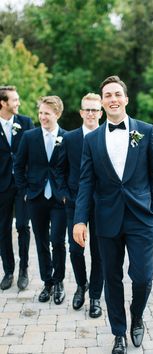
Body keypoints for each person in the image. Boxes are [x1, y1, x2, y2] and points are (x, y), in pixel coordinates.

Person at [73, 76, 153, 354]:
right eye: (107, 95)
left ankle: (137, 315)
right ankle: (119, 333)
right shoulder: (92, 140)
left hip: (141, 217)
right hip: (106, 218)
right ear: (102, 103)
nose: (113, 99)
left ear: (126, 99)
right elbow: (86, 181)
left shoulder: (147, 132)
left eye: (117, 94)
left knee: (143, 275)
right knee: (111, 278)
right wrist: (79, 219)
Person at [14, 96, 67, 305]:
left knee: (57, 241)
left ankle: (60, 281)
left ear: (57, 114)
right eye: (41, 113)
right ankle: (48, 283)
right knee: (42, 242)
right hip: (35, 198)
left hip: (58, 199)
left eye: (47, 113)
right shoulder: (29, 137)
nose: (42, 117)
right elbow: (19, 166)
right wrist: (25, 190)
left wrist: (66, 193)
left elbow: (71, 168)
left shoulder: (66, 137)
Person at [56, 93, 104, 316]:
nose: (91, 113)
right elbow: (59, 170)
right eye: (88, 109)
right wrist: (65, 195)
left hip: (103, 205)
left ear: (101, 112)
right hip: (75, 203)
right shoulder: (70, 138)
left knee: (99, 253)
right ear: (81, 112)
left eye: (95, 109)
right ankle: (81, 285)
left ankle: (95, 296)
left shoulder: (108, 136)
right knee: (75, 250)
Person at [0, 85, 34, 291]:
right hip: (1, 186)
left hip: (23, 184)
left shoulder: (26, 122)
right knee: (2, 228)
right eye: (14, 100)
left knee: (22, 226)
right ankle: (8, 271)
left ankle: (23, 270)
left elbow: (34, 153)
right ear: (3, 103)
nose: (18, 103)